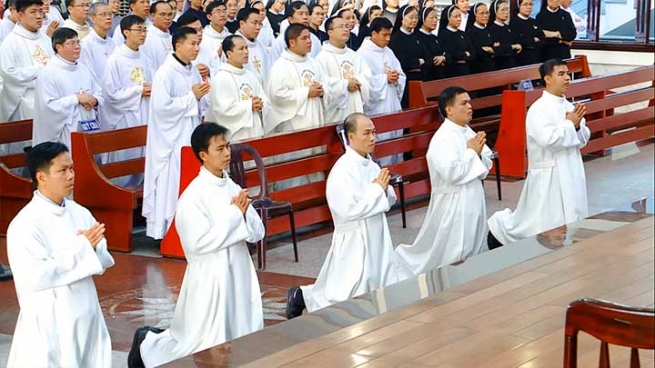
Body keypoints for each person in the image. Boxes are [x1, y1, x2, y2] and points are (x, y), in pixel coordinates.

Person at [129, 123, 265, 368]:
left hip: (238, 270)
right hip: (209, 277)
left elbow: (257, 232)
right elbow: (197, 243)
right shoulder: (193, 197)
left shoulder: (232, 187)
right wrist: (235, 216)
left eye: (228, 147)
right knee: (200, 342)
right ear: (203, 155)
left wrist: (243, 216)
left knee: (242, 335)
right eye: (220, 148)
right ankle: (147, 344)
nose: (227, 154)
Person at [6, 141, 115, 367]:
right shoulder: (26, 223)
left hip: (86, 311)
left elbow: (102, 258)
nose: (70, 176)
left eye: (72, 168)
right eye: (62, 171)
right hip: (50, 319)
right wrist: (83, 247)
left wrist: (93, 248)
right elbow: (35, 275)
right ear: (41, 177)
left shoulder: (79, 212)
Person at [286, 112, 399, 318]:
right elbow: (348, 209)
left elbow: (388, 198)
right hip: (354, 236)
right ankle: (302, 297)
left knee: (374, 279)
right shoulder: (342, 170)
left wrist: (383, 190)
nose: (373, 138)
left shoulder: (372, 165)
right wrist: (376, 190)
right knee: (346, 290)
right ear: (352, 137)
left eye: (374, 132)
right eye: (367, 133)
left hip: (376, 232)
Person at [487, 59, 590, 249]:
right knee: (540, 221)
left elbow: (583, 137)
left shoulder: (568, 105)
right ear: (547, 79)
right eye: (561, 74)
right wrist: (570, 124)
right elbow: (548, 140)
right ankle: (499, 232)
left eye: (568, 73)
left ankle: (568, 245)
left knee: (570, 215)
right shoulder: (539, 109)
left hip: (571, 168)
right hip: (548, 173)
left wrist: (575, 126)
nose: (567, 77)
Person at [395, 86, 492, 276]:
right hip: (452, 201)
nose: (470, 107)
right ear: (449, 109)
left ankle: (471, 273)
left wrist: (476, 155)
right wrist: (472, 153)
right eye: (463, 103)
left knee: (473, 239)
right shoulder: (442, 138)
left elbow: (487, 161)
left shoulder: (468, 132)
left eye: (470, 102)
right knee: (449, 248)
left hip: (473, 194)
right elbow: (452, 173)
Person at [143, 26, 211, 240]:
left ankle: (188, 227)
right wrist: (193, 97)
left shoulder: (191, 69)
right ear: (178, 45)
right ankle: (167, 231)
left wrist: (201, 96)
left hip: (188, 132)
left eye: (198, 43)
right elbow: (162, 108)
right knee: (172, 182)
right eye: (192, 43)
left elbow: (201, 100)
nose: (196, 48)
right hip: (170, 140)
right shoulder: (165, 72)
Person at [101, 15, 153, 187]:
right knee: (126, 159)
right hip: (124, 117)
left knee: (143, 159)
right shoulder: (115, 60)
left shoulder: (145, 58)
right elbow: (111, 94)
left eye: (145, 30)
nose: (144, 34)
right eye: (139, 30)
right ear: (126, 32)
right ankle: (120, 188)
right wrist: (139, 90)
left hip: (144, 113)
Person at [33, 28, 103, 149]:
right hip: (65, 133)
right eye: (71, 43)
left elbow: (99, 92)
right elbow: (48, 107)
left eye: (78, 42)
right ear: (59, 47)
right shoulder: (48, 73)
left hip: (89, 127)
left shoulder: (83, 69)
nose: (77, 47)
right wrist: (76, 99)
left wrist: (94, 100)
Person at [266, 23, 330, 134]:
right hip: (293, 124)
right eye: (304, 38)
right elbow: (276, 95)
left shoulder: (314, 63)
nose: (309, 41)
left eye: (309, 37)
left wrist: (321, 90)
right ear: (292, 42)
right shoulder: (281, 66)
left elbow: (326, 83)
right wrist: (306, 92)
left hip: (315, 117)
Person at [356, 16, 404, 166]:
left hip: (393, 103)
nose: (388, 39)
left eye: (390, 34)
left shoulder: (388, 52)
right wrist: (384, 79)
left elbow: (401, 74)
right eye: (384, 35)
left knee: (397, 142)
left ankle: (398, 172)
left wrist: (397, 78)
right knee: (382, 143)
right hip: (378, 107)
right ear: (374, 34)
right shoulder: (362, 54)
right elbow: (363, 82)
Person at [0, 0, 54, 124]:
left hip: (50, 99)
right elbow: (8, 74)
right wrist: (40, 70)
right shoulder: (11, 42)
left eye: (40, 11)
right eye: (33, 12)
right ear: (20, 15)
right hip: (24, 101)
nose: (39, 16)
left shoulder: (46, 40)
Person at [205, 35, 267, 141]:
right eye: (241, 49)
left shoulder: (250, 75)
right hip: (236, 136)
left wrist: (260, 104)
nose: (246, 52)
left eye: (246, 48)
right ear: (229, 54)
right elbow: (222, 110)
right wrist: (249, 105)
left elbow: (263, 98)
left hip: (255, 131)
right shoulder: (222, 77)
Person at [316, 16, 371, 124]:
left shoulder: (354, 55)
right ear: (330, 32)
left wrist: (358, 82)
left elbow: (367, 76)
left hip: (356, 108)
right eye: (341, 27)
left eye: (347, 26)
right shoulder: (321, 58)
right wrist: (345, 84)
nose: (346, 29)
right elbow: (323, 84)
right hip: (335, 115)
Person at [388, 5, 428, 109]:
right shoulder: (396, 39)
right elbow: (399, 61)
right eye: (411, 17)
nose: (414, 20)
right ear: (402, 18)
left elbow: (427, 58)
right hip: (405, 82)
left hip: (420, 80)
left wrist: (420, 63)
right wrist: (418, 62)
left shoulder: (417, 37)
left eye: (416, 17)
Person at [79, 2, 116, 82]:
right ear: (92, 18)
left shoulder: (113, 43)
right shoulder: (86, 44)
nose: (108, 18)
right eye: (103, 14)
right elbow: (89, 75)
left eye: (110, 14)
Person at [234, 7, 270, 84]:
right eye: (254, 23)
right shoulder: (233, 44)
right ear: (242, 24)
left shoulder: (260, 46)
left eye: (260, 24)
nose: (258, 27)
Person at [437, 5, 473, 77]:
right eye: (456, 17)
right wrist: (465, 54)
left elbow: (473, 52)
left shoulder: (463, 34)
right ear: (448, 18)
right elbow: (450, 54)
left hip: (466, 71)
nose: (459, 19)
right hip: (452, 72)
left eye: (460, 16)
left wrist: (464, 56)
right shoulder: (444, 35)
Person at [487, 0, 521, 70]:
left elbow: (517, 46)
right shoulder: (490, 29)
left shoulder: (509, 28)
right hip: (499, 65)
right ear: (495, 12)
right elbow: (497, 50)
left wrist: (506, 47)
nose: (506, 12)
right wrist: (512, 46)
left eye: (507, 9)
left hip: (513, 64)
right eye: (503, 10)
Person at [142, 1, 174, 70]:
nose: (167, 18)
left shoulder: (173, 38)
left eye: (170, 14)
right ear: (153, 16)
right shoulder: (146, 37)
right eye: (163, 14)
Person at [416, 6, 446, 81]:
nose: (435, 20)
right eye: (431, 18)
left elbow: (445, 53)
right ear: (423, 19)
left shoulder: (435, 37)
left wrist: (443, 58)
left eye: (436, 18)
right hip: (426, 78)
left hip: (439, 77)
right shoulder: (417, 37)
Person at [510, 0, 543, 66]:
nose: (529, 7)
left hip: (537, 58)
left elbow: (543, 39)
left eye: (530, 4)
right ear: (519, 6)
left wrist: (529, 41)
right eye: (525, 4)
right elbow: (519, 41)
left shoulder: (534, 22)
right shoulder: (514, 23)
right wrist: (534, 40)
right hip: (522, 60)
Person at [201, 0, 230, 68]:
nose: (222, 14)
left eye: (224, 11)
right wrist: (218, 53)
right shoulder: (202, 38)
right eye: (218, 12)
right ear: (209, 16)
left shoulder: (231, 36)